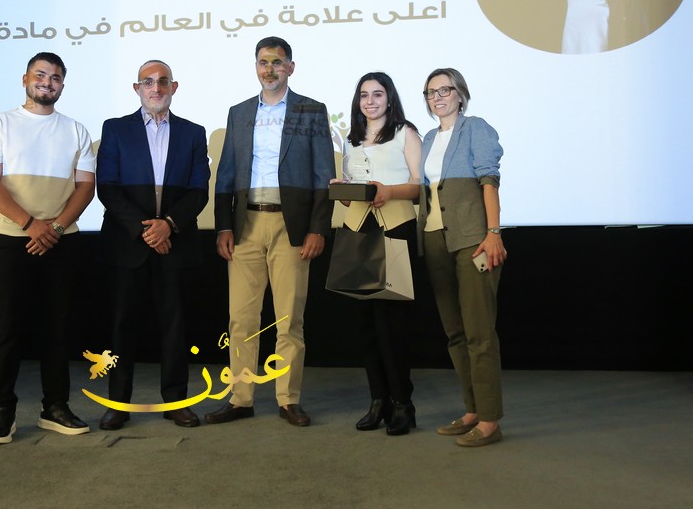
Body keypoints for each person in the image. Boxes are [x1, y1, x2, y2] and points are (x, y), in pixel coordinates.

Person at [207, 36, 335, 427]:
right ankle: (241, 398)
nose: (270, 69)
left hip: (291, 226)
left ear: (290, 67)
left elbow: (324, 176)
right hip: (245, 225)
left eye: (277, 62)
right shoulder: (240, 112)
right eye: (263, 62)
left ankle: (288, 399)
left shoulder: (311, 111)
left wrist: (318, 228)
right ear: (256, 66)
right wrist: (223, 224)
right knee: (241, 320)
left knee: (288, 319)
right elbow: (225, 174)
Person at [0, 52, 96, 444]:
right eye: (40, 74)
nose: (48, 82)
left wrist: (54, 227)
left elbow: (86, 186)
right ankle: (2, 411)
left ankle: (55, 407)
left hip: (62, 241)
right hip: (12, 239)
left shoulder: (75, 129)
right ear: (25, 79)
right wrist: (31, 225)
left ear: (63, 85)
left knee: (57, 328)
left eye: (56, 77)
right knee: (9, 328)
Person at [95, 60, 210, 430]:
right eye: (148, 82)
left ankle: (176, 401)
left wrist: (168, 226)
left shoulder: (194, 133)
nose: (156, 88)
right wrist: (147, 230)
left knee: (175, 326)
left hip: (176, 243)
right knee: (121, 326)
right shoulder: (115, 129)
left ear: (173, 87)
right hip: (127, 243)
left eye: (163, 82)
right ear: (137, 88)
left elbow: (199, 190)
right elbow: (107, 187)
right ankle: (117, 403)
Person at [418, 68, 507, 447]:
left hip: (473, 240)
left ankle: (489, 420)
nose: (437, 97)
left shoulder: (475, 128)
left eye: (445, 90)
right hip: (435, 241)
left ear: (460, 94)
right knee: (454, 332)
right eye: (430, 92)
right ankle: (472, 410)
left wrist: (493, 233)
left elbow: (489, 181)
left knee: (479, 332)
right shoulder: (427, 139)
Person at [329, 72, 422, 436]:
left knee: (392, 323)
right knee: (365, 323)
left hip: (395, 227)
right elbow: (352, 188)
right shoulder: (350, 139)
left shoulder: (405, 133)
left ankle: (402, 403)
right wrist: (342, 191)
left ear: (389, 98)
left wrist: (388, 191)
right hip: (358, 229)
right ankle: (378, 400)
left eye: (377, 94)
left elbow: (418, 186)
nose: (370, 101)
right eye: (364, 95)